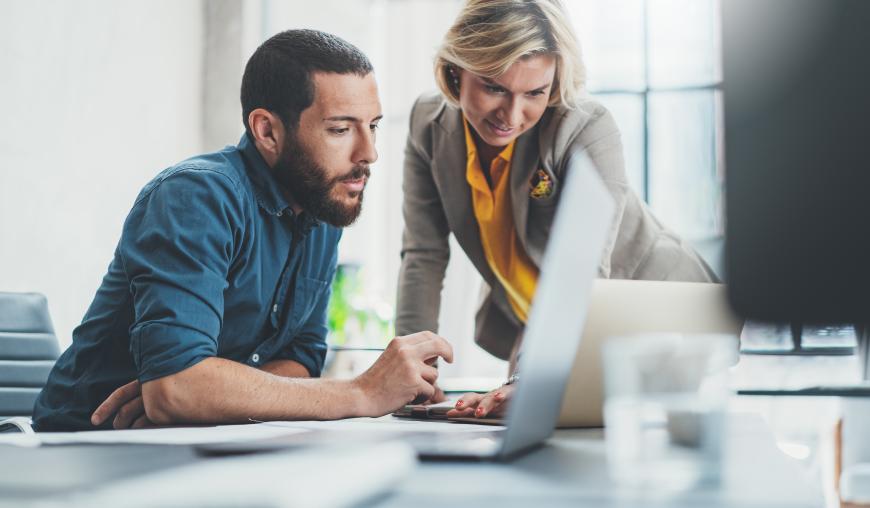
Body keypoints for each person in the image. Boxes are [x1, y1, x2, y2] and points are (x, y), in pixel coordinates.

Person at [32, 29, 452, 432]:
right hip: (84, 444)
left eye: (373, 126)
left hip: (201, 442)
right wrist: (361, 393)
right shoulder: (195, 196)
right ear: (267, 130)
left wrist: (207, 395)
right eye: (340, 129)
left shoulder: (321, 206)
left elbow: (300, 359)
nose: (370, 153)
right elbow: (175, 389)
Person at [394, 0, 714, 420]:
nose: (512, 115)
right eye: (494, 87)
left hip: (655, 319)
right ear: (456, 71)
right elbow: (423, 256)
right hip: (542, 329)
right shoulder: (427, 123)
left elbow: (580, 275)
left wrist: (528, 379)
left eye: (535, 93)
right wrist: (414, 377)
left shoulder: (584, 127)